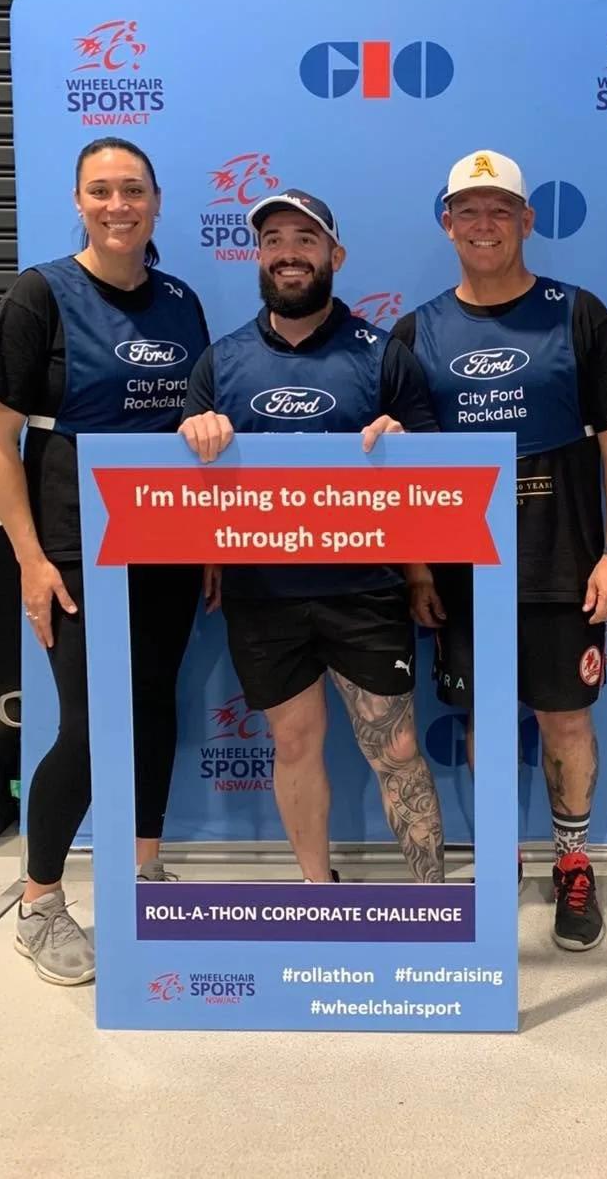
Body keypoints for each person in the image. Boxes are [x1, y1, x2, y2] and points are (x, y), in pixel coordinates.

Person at [0, 137, 209, 986]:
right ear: (78, 201)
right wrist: (29, 559)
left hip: (171, 540)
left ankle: (144, 875)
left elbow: (195, 430)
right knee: (88, 723)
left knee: (150, 704)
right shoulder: (41, 294)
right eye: (101, 191)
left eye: (133, 190)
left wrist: (207, 541)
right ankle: (40, 903)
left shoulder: (181, 300)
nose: (118, 205)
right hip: (75, 544)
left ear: (156, 201)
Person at [392, 150, 607, 951]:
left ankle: (573, 865)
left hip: (567, 562)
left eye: (500, 210)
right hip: (467, 573)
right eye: (468, 211)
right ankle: (497, 854)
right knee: (482, 720)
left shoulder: (579, 314)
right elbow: (405, 467)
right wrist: (421, 569)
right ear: (447, 224)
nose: (484, 224)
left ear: (527, 221)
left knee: (566, 720)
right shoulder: (417, 330)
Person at [178, 188, 446, 885]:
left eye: (305, 237)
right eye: (274, 239)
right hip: (263, 594)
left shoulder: (381, 354)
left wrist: (406, 449)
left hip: (365, 590)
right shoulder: (221, 362)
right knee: (293, 742)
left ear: (335, 254)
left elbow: (432, 483)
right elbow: (186, 484)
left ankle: (431, 905)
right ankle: (316, 891)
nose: (289, 252)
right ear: (259, 256)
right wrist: (193, 436)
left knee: (398, 748)